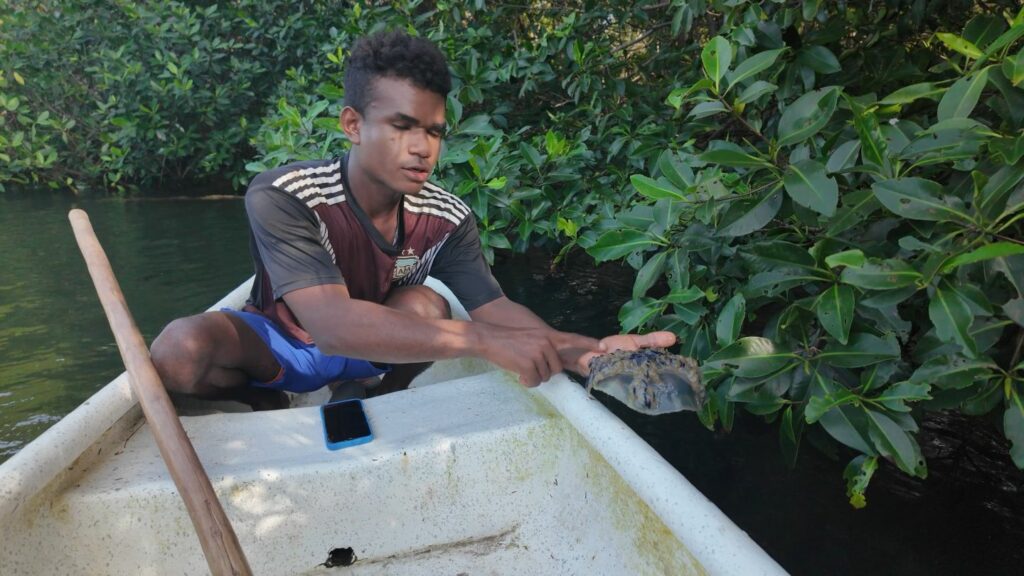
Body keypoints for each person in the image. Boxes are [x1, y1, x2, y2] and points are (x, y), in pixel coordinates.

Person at [150, 30, 674, 409]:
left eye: (435, 131)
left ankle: (385, 398)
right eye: (402, 126)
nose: (423, 148)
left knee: (428, 301)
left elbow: (494, 309)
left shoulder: (447, 215)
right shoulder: (286, 194)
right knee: (178, 351)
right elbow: (330, 328)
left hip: (383, 351)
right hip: (285, 343)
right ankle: (265, 403)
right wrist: (478, 341)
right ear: (353, 124)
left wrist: (588, 353)